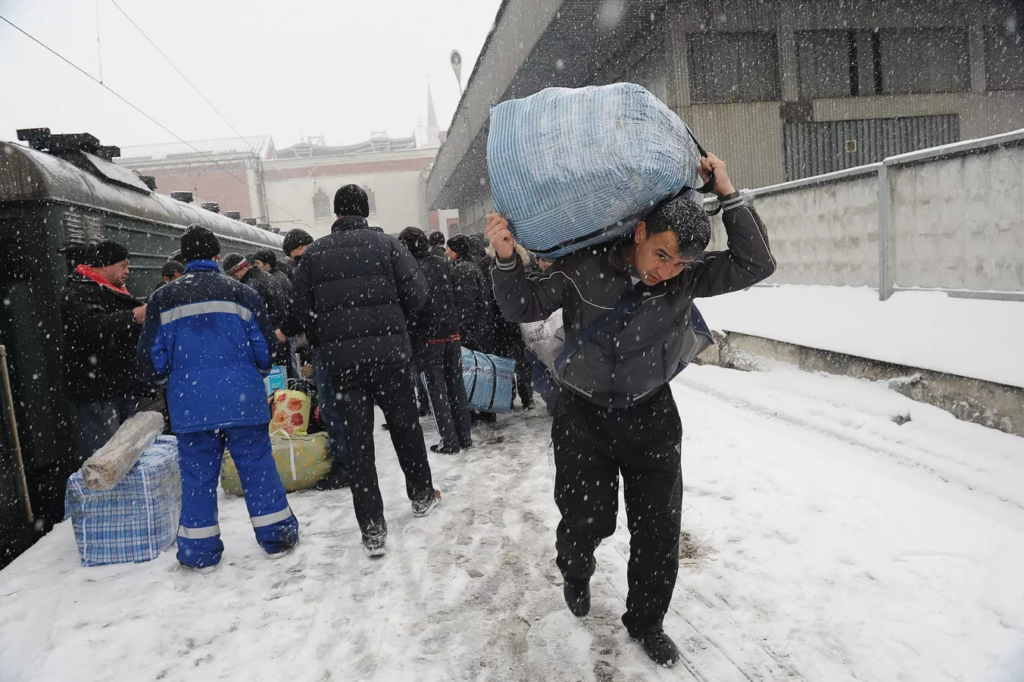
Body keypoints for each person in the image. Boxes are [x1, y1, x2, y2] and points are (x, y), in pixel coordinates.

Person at [485, 154, 775, 667]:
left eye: (679, 263)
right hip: (584, 417)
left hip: (652, 416)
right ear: (640, 232)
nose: (667, 272)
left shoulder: (686, 277)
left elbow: (757, 264)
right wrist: (506, 259)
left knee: (659, 533)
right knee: (587, 521)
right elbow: (522, 307)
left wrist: (727, 192)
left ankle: (646, 621)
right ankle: (575, 570)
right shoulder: (584, 270)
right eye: (661, 254)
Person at [137, 225, 299, 572]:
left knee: (196, 477)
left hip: (190, 404)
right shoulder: (242, 293)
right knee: (257, 468)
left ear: (183, 259)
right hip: (242, 399)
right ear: (215, 255)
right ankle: (277, 535)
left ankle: (199, 551)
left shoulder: (162, 299)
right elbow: (266, 351)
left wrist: (175, 377)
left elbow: (152, 360)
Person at [292, 184, 440, 557]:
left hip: (343, 366)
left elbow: (301, 310)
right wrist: (394, 319)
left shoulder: (313, 255)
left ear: (336, 213)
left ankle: (372, 529)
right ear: (365, 211)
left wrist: (326, 335)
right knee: (406, 430)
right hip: (390, 358)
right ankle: (421, 495)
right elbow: (419, 294)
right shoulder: (389, 245)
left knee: (359, 446)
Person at [62, 240, 154, 460]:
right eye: (123, 265)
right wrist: (135, 315)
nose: (128, 271)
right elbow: (95, 327)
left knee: (127, 451)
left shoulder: (111, 290)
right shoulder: (78, 292)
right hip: (98, 389)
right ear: (104, 265)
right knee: (106, 456)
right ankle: (106, 494)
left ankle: (124, 493)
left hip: (117, 383)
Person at [281, 228, 351, 490]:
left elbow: (301, 306)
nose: (295, 263)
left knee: (331, 404)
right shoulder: (336, 258)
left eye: (296, 257)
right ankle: (357, 461)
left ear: (303, 247)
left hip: (328, 344)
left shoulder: (309, 265)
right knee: (351, 405)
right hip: (351, 341)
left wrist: (286, 330)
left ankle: (346, 465)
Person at [397, 227, 473, 454]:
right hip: (452, 332)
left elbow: (411, 305)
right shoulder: (442, 262)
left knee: (435, 389)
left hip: (427, 336)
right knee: (455, 384)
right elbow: (455, 294)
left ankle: (448, 441)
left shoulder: (409, 268)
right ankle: (464, 436)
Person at [221, 253, 290, 360]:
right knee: (283, 370)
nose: (233, 277)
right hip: (279, 330)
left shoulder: (252, 284)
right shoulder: (263, 276)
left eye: (232, 273)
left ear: (239, 268)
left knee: (273, 371)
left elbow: (251, 314)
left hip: (269, 334)